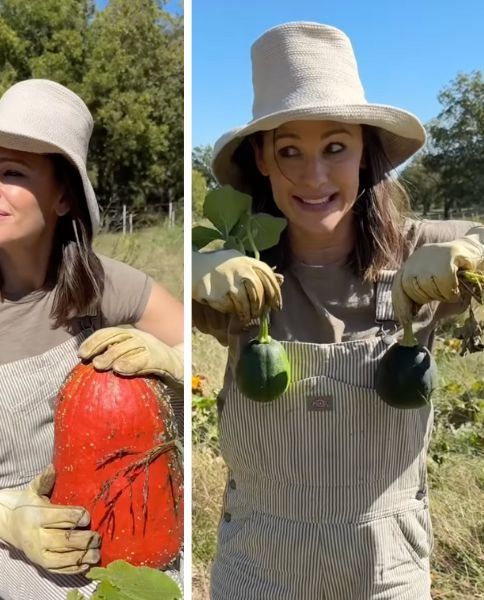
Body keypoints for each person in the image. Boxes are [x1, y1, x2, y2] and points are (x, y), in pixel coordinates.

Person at [193, 22, 481, 599]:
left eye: (335, 148)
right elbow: (153, 320)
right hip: (259, 567)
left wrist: (469, 255)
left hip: (387, 569)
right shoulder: (241, 273)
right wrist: (196, 269)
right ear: (262, 159)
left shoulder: (414, 247)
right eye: (290, 151)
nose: (315, 176)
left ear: (365, 152)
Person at [0, 79, 185, 599]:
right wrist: (8, 516)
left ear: (63, 196)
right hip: (4, 536)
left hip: (107, 522)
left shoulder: (99, 283)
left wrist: (173, 361)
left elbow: (188, 339)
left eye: (12, 173)